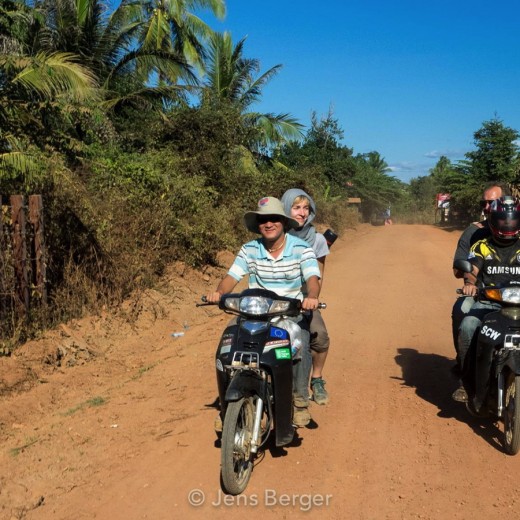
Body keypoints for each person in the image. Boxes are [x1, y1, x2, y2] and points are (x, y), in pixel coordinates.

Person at [206, 197, 321, 428]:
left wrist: (311, 297)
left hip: (289, 314)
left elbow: (312, 278)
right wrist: (218, 293)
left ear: (283, 222)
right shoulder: (250, 249)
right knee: (227, 345)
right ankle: (226, 409)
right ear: (258, 225)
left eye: (274, 219)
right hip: (253, 314)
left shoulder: (301, 248)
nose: (268, 224)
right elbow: (232, 277)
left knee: (299, 343)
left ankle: (299, 402)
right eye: (263, 220)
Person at [455, 196, 520, 410]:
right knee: (467, 326)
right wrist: (469, 284)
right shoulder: (482, 246)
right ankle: (468, 384)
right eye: (503, 220)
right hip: (489, 305)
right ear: (493, 221)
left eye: (512, 220)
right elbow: (471, 271)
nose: (508, 225)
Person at [281, 188, 331, 405]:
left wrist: (312, 299)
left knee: (319, 336)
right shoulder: (275, 233)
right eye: (296, 207)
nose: (301, 213)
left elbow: (318, 276)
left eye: (306, 208)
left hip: (302, 299)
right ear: (285, 209)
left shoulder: (317, 239)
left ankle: (316, 378)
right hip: (274, 298)